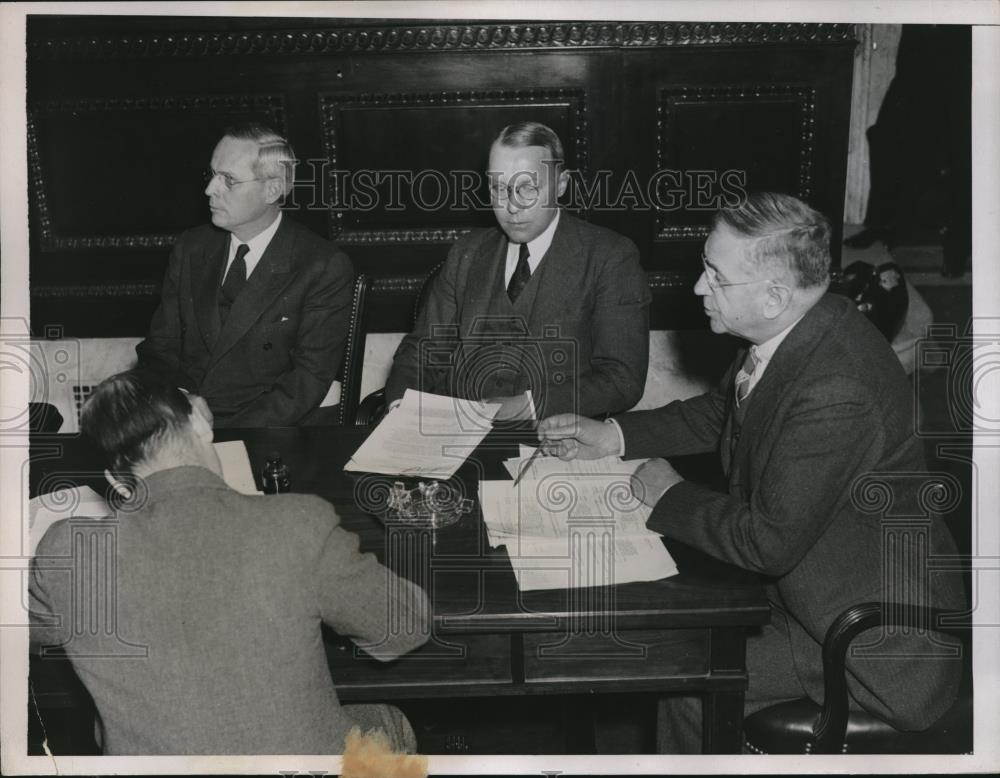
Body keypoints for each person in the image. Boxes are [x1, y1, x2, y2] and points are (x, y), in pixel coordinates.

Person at [539, 192, 965, 752]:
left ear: (773, 295)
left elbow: (767, 544)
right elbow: (724, 411)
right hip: (815, 589)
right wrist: (613, 435)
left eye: (715, 277)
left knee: (680, 671)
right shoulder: (804, 322)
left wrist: (667, 493)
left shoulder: (837, 391)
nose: (698, 288)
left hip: (873, 644)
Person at [29, 369, 430, 755]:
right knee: (390, 721)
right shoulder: (297, 522)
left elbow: (28, 632)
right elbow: (404, 628)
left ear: (116, 483)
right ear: (203, 427)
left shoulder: (65, 550)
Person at [384, 121, 651, 420]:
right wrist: (400, 411)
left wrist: (524, 407)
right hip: (454, 434)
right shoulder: (466, 253)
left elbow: (622, 379)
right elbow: (422, 350)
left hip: (553, 439)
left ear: (562, 185)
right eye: (498, 187)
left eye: (527, 188)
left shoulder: (610, 257)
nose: (511, 206)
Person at [136, 123, 354, 427]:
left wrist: (226, 434)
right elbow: (160, 347)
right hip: (186, 421)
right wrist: (183, 403)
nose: (210, 190)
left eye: (229, 180)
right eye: (211, 175)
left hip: (271, 430)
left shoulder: (322, 265)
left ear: (272, 189)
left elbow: (308, 379)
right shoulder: (191, 248)